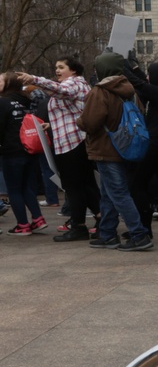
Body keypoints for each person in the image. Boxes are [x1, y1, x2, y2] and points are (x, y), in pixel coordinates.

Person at [77, 52, 153, 252]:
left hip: (106, 148)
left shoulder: (100, 91)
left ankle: (139, 234)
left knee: (118, 193)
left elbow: (90, 123)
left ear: (102, 69)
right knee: (108, 194)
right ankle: (108, 233)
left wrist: (79, 120)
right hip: (127, 147)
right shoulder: (130, 90)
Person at [18, 59, 101, 242]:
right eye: (56, 67)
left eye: (61, 67)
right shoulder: (79, 83)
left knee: (74, 187)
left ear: (73, 70)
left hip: (72, 142)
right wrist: (52, 124)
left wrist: (33, 79)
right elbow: (72, 111)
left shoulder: (73, 83)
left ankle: (79, 227)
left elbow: (62, 91)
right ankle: (101, 219)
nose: (57, 70)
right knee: (86, 184)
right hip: (76, 140)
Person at [121, 60, 158, 235]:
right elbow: (143, 82)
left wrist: (121, 67)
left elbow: (141, 85)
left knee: (138, 186)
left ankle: (144, 229)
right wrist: (133, 68)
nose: (147, 77)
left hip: (155, 147)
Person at [0, 73, 47, 236]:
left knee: (14, 189)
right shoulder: (26, 100)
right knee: (27, 186)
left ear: (8, 84)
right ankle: (38, 219)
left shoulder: (3, 102)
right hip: (30, 148)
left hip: (12, 151)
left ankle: (22, 225)